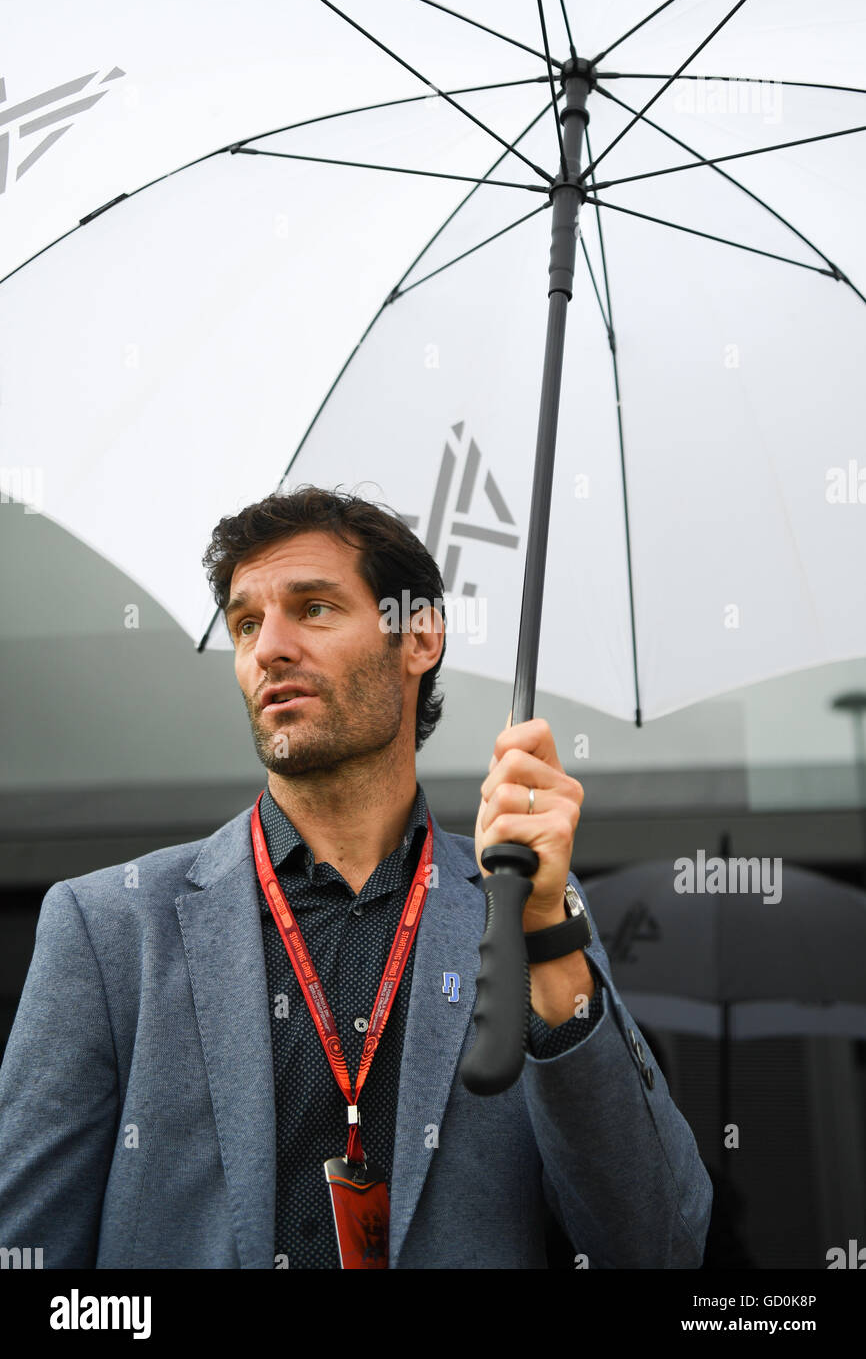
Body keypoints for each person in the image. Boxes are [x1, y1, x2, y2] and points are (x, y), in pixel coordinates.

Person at [0, 486, 712, 1269]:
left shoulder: (523, 908)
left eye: (312, 609)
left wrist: (545, 934)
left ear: (419, 638)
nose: (268, 646)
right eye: (246, 623)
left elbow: (661, 1245)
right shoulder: (108, 927)